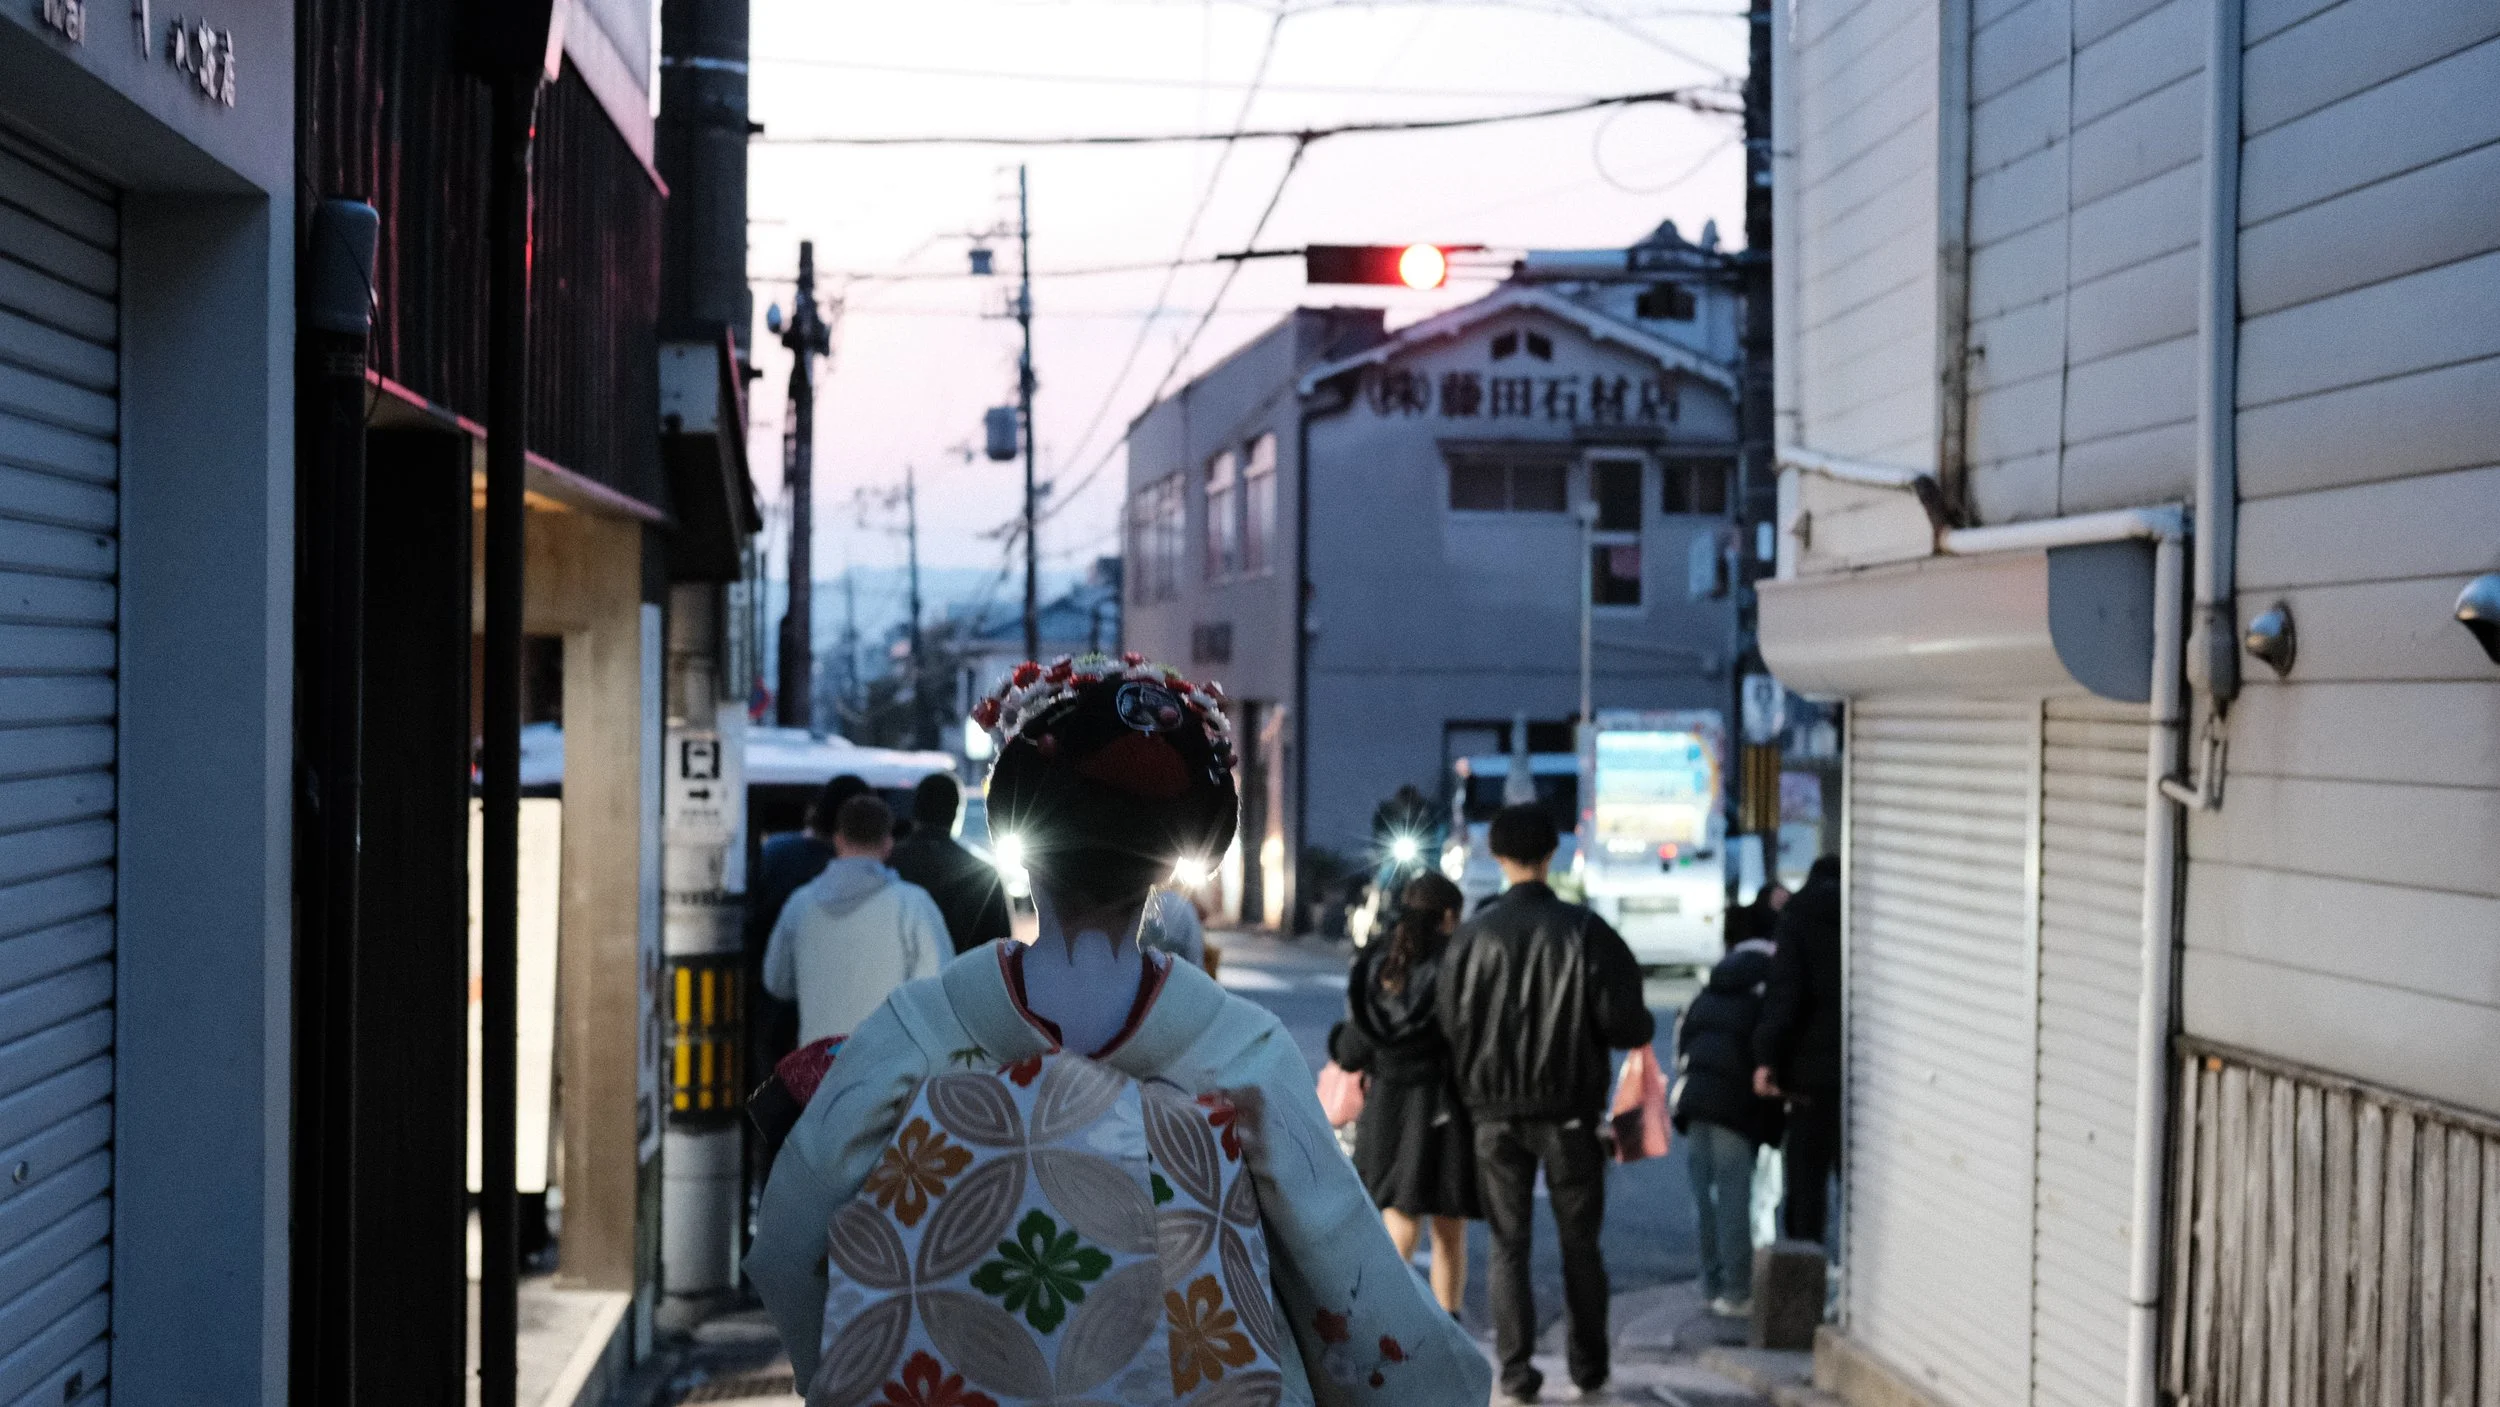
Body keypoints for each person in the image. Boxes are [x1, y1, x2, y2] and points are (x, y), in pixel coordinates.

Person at [746, 655, 1489, 1405]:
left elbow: (787, 1249)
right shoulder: (1239, 1050)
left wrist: (856, 1364)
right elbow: (1345, 1274)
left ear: (1017, 834)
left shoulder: (918, 1033)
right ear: (1172, 862)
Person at [1437, 803, 1655, 1404]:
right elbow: (1627, 1024)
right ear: (1553, 853)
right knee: (1579, 1242)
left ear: (1498, 856)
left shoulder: (1472, 936)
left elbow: (1449, 1026)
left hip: (1492, 1115)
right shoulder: (1586, 932)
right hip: (1570, 1112)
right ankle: (1589, 1367)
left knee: (1508, 1244)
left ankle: (1514, 1371)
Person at [1327, 871, 1479, 1315]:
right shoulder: (1458, 965)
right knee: (1450, 1227)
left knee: (1399, 1216)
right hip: (1445, 1107)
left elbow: (1353, 1047)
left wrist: (1343, 1041)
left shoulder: (1379, 962)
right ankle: (1447, 1325)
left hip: (1389, 1105)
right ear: (1449, 916)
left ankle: (1391, 1322)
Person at [761, 794, 950, 1044]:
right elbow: (938, 987)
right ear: (887, 843)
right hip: (889, 1064)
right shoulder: (913, 904)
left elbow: (776, 983)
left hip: (820, 1067)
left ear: (838, 840)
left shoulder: (800, 904)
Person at [1672, 914, 1785, 1318]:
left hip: (1696, 1102)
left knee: (1707, 1199)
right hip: (1734, 1108)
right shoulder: (1767, 993)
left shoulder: (1709, 991)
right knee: (1736, 1198)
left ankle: (1713, 1284)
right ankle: (1738, 1292)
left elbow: (1682, 1043)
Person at [1753, 854, 1843, 1245]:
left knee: (1806, 1186)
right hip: (1865, 1068)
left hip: (1810, 1075)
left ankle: (1806, 1282)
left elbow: (1786, 994)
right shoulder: (1868, 908)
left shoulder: (1799, 915)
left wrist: (1767, 1058)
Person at [885, 772, 1014, 956]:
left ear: (915, 810)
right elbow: (1002, 950)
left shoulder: (885, 864)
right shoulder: (983, 874)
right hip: (963, 979)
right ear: (956, 813)